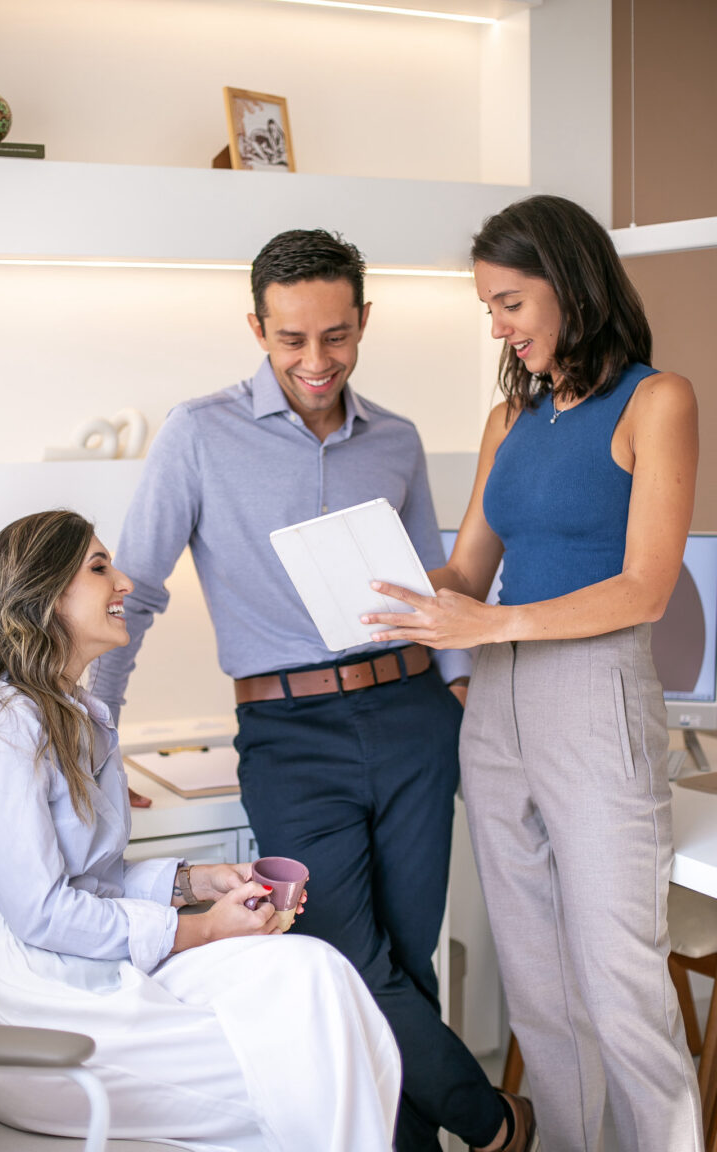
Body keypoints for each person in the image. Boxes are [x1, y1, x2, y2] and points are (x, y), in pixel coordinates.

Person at [92, 228, 536, 1152]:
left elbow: (435, 588)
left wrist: (456, 695)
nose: (316, 360)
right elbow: (135, 595)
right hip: (289, 732)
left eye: (336, 336)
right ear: (257, 328)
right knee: (339, 958)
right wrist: (94, 737)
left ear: (363, 321)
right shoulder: (197, 433)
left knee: (405, 960)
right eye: (292, 338)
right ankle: (493, 1124)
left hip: (413, 716)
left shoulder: (397, 440)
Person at [363, 194, 703, 1152]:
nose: (499, 327)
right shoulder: (509, 418)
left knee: (619, 981)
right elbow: (466, 574)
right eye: (490, 308)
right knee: (541, 989)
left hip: (594, 691)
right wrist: (376, 582)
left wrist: (493, 622)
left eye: (510, 303)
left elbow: (645, 588)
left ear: (572, 283)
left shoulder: (656, 401)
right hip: (496, 705)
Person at [0, 509, 401, 1151]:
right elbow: (41, 911)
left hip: (81, 961)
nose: (125, 582)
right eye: (100, 567)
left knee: (316, 975)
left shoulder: (73, 713)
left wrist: (199, 882)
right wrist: (201, 929)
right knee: (308, 1065)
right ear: (44, 596)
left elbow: (90, 882)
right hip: (27, 994)